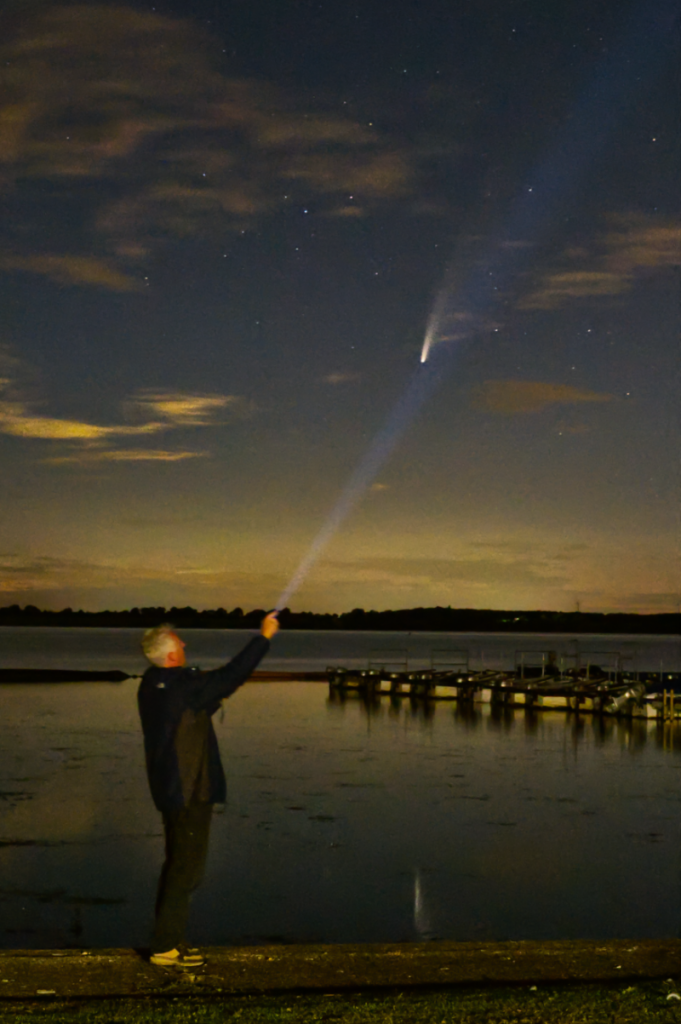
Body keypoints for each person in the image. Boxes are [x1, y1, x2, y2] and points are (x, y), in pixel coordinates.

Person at [138, 611, 279, 968]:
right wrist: (264, 637)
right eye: (179, 642)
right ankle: (164, 948)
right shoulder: (185, 686)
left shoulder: (152, 683)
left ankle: (170, 940)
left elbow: (186, 709)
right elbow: (232, 675)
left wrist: (208, 700)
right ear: (171, 656)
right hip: (188, 790)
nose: (185, 644)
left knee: (179, 866)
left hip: (170, 788)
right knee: (186, 869)